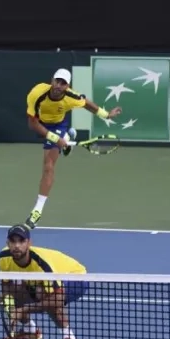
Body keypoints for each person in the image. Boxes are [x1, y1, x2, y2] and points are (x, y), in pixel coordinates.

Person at [24, 68, 121, 229]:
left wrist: (106, 115)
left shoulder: (71, 97)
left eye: (63, 83)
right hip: (41, 123)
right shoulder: (36, 93)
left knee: (48, 166)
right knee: (56, 143)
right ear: (52, 80)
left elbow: (88, 104)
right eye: (57, 81)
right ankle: (68, 136)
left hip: (57, 125)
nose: (58, 86)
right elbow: (32, 124)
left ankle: (37, 211)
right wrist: (57, 140)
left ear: (67, 86)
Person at [0, 224, 88, 339]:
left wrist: (23, 310)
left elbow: (57, 298)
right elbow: (6, 288)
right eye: (13, 241)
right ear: (7, 243)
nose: (17, 246)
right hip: (41, 281)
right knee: (14, 290)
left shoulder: (41, 264)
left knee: (46, 296)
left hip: (75, 278)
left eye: (21, 241)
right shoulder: (4, 258)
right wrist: (9, 305)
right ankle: (30, 330)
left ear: (29, 243)